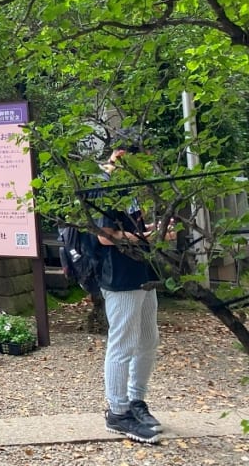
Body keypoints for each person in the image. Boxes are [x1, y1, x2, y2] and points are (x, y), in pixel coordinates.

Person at [95, 142, 173, 445]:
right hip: (120, 275)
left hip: (143, 271)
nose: (145, 170)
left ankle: (136, 401)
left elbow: (131, 229)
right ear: (124, 156)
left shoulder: (128, 187)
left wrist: (155, 230)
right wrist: (145, 236)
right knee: (123, 342)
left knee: (148, 338)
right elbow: (105, 237)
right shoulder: (105, 185)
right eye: (143, 163)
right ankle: (118, 411)